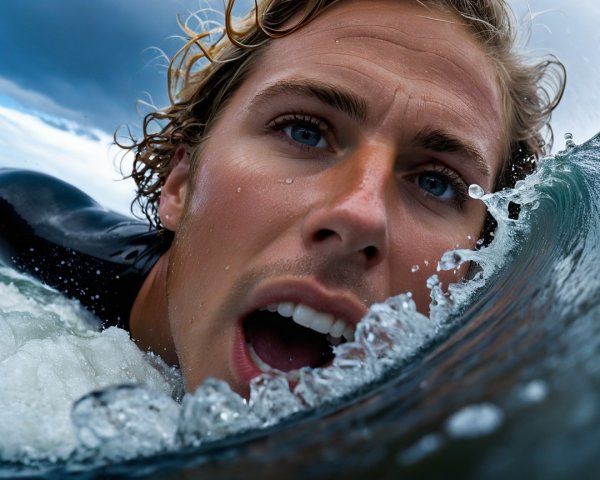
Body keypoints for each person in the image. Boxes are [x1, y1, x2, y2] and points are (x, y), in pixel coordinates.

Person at [0, 0, 564, 397]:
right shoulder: (27, 220)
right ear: (180, 184)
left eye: (436, 181)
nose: (359, 214)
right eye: (304, 131)